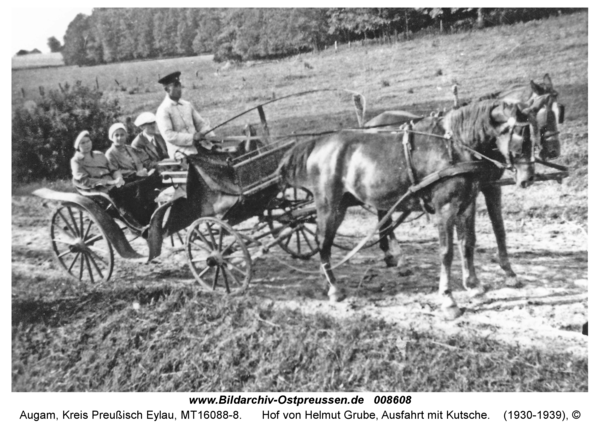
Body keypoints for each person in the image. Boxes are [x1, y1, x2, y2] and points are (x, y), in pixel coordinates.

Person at [155, 71, 225, 159]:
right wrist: (192, 137)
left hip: (199, 147)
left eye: (179, 85)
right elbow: (169, 135)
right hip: (180, 151)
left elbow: (201, 124)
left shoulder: (187, 105)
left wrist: (212, 137)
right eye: (175, 86)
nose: (179, 89)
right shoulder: (163, 110)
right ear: (167, 89)